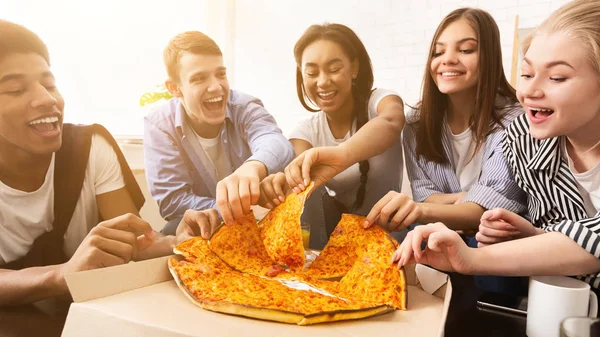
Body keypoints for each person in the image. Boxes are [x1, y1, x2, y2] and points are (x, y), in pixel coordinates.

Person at [394, 0, 600, 294]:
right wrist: (533, 234)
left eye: (557, 77)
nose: (528, 91)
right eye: (527, 74)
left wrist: (473, 257)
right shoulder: (525, 139)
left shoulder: (512, 124)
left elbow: (594, 237)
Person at [0, 20, 173, 308]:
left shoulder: (89, 147)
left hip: (86, 315)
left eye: (49, 84)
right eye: (17, 90)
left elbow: (137, 245)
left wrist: (181, 241)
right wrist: (61, 274)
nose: (47, 99)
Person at [363, 8, 527, 235]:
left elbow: (491, 209)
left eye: (466, 49)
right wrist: (460, 201)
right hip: (438, 237)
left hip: (499, 247)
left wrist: (426, 209)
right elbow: (425, 194)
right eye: (438, 52)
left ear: (490, 56)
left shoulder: (518, 121)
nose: (447, 59)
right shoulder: (416, 125)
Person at [258, 23, 405, 248]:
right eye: (312, 73)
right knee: (304, 191)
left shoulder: (380, 102)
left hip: (389, 239)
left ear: (354, 68)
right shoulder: (306, 130)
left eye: (334, 69)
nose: (323, 81)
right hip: (333, 243)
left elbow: (392, 120)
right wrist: (280, 184)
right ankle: (312, 265)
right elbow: (296, 172)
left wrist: (340, 155)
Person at [144, 31, 294, 233]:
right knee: (172, 228)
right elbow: (172, 202)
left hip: (262, 224)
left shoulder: (244, 106)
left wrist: (252, 167)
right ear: (175, 88)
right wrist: (236, 210)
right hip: (210, 225)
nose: (216, 87)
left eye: (220, 74)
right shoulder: (160, 125)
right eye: (199, 78)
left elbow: (276, 142)